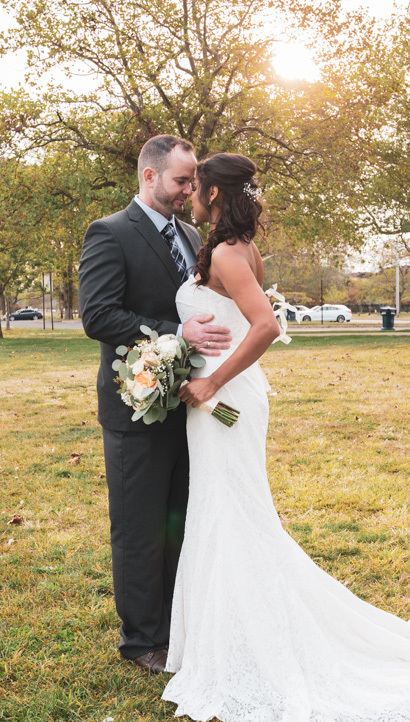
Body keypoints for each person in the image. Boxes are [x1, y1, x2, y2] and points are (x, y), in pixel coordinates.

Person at [161, 151, 410, 722]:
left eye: (198, 187)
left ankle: (249, 649)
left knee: (233, 513)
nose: (191, 194)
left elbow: (267, 326)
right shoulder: (238, 247)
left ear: (215, 196)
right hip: (219, 396)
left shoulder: (227, 252)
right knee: (229, 512)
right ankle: (231, 639)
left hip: (223, 401)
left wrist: (210, 382)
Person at [78, 135, 232, 674]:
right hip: (134, 408)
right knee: (140, 529)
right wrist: (175, 333)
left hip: (190, 408)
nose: (191, 190)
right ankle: (142, 640)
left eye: (192, 181)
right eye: (182, 181)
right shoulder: (110, 233)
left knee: (178, 523)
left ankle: (179, 625)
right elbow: (98, 316)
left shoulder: (192, 235)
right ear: (150, 176)